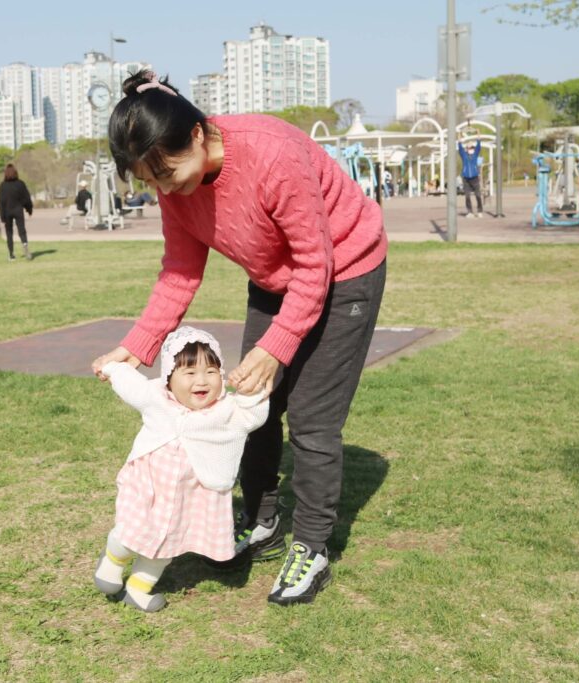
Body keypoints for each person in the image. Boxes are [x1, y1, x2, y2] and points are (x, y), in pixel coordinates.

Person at [91, 70, 387, 606]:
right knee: (251, 402)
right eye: (149, 180)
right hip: (276, 277)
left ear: (199, 134)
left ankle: (312, 546)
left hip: (345, 273)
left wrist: (275, 348)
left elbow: (316, 264)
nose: (162, 188)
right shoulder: (174, 185)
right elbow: (180, 271)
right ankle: (262, 517)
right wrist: (136, 347)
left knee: (314, 421)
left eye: (167, 173)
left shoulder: (273, 155)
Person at [93, 327, 269, 612]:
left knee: (169, 543)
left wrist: (252, 391)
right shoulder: (157, 398)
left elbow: (253, 414)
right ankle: (112, 563)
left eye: (211, 372)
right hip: (148, 487)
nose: (202, 381)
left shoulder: (227, 411)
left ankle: (139, 589)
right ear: (169, 378)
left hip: (190, 495)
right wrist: (112, 367)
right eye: (189, 373)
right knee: (132, 532)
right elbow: (131, 384)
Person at [0, 163, 33, 261]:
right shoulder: (20, 184)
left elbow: (2, 202)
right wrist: (29, 209)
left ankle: (11, 254)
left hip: (7, 211)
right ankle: (25, 244)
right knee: (22, 230)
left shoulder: (3, 186)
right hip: (18, 210)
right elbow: (26, 198)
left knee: (9, 233)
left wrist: (2, 216)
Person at [458, 139, 483, 218]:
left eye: (472, 147)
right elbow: (460, 149)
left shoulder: (475, 154)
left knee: (478, 195)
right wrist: (459, 142)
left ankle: (479, 211)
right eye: (469, 148)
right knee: (467, 196)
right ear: (467, 149)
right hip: (466, 178)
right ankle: (470, 212)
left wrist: (478, 140)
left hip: (475, 178)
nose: (471, 149)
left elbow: (479, 147)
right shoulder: (464, 155)